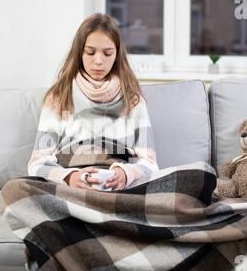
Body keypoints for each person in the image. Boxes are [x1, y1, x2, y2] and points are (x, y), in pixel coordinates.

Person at [28, 13, 159, 191]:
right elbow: (38, 163)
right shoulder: (59, 97)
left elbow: (150, 164)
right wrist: (70, 177)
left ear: (117, 55)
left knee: (201, 174)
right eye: (90, 52)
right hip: (71, 188)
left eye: (107, 53)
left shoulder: (133, 100)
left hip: (118, 188)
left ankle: (92, 212)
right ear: (79, 53)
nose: (98, 61)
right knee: (14, 190)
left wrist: (125, 174)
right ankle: (100, 212)